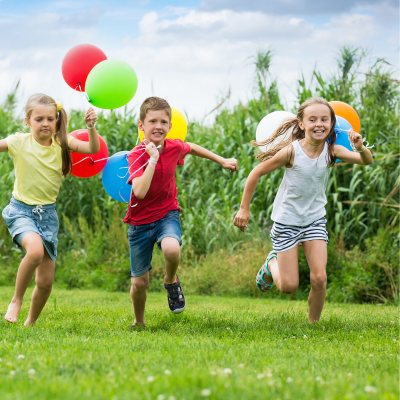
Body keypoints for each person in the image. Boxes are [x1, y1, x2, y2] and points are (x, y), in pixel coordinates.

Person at [233, 97, 373, 322]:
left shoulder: (332, 150)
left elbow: (366, 161)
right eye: (313, 119)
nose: (319, 124)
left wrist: (360, 147)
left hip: (314, 221)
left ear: (331, 123)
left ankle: (313, 324)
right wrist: (244, 209)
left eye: (324, 119)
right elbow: (255, 173)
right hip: (287, 222)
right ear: (301, 124)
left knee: (319, 278)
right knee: (289, 286)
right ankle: (271, 262)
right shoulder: (291, 152)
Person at [124, 96, 238, 328]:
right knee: (139, 282)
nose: (158, 126)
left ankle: (170, 280)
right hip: (139, 223)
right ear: (141, 125)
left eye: (163, 122)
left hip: (167, 214)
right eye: (152, 121)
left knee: (172, 249)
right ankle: (139, 321)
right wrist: (153, 160)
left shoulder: (174, 146)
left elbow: (192, 147)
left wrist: (221, 160)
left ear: (169, 126)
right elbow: (140, 191)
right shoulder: (137, 155)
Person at [1, 93, 100, 326]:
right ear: (28, 121)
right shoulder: (19, 142)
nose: (45, 123)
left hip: (47, 217)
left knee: (45, 282)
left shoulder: (62, 143)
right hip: (21, 211)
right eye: (38, 119)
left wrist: (91, 127)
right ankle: (16, 301)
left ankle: (30, 323)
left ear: (56, 120)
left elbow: (92, 148)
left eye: (50, 118)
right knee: (34, 252)